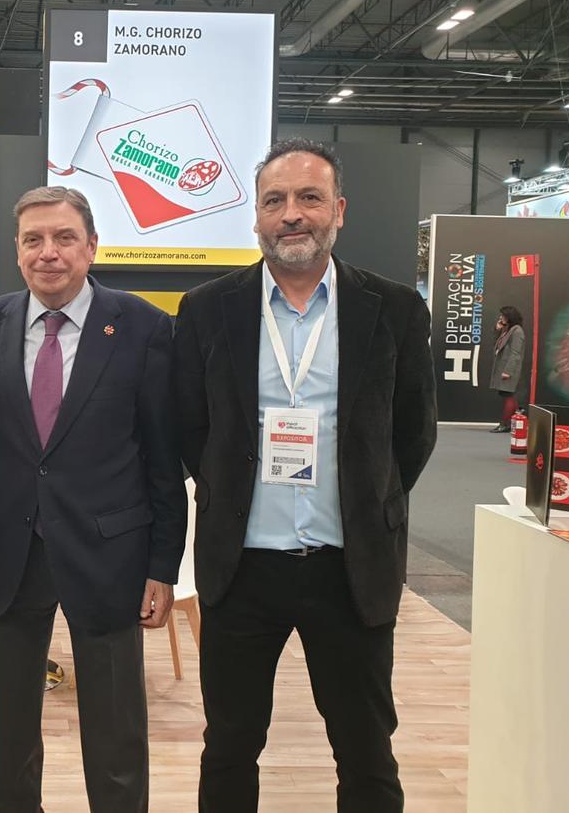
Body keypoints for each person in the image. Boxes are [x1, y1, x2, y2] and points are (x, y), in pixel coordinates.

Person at [173, 138, 437, 813]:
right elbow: (188, 427)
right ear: (256, 218)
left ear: (339, 210)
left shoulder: (395, 309)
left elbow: (412, 433)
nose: (293, 214)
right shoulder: (208, 309)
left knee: (367, 750)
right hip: (242, 569)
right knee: (229, 746)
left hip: (350, 569)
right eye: (275, 201)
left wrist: (368, 499)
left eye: (309, 197)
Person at [0, 186, 186, 813]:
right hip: (7, 548)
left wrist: (165, 565)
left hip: (110, 552)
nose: (47, 252)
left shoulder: (143, 326)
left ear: (91, 248)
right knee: (9, 728)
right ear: (17, 250)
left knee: (115, 730)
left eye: (63, 238)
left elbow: (163, 457)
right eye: (33, 240)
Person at [490, 305, 525, 433]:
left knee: (508, 395)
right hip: (503, 368)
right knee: (507, 395)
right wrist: (497, 330)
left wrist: (508, 371)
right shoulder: (507, 330)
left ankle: (504, 424)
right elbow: (496, 345)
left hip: (509, 369)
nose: (500, 317)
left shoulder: (517, 331)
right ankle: (511, 423)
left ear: (510, 317)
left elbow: (516, 353)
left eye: (503, 316)